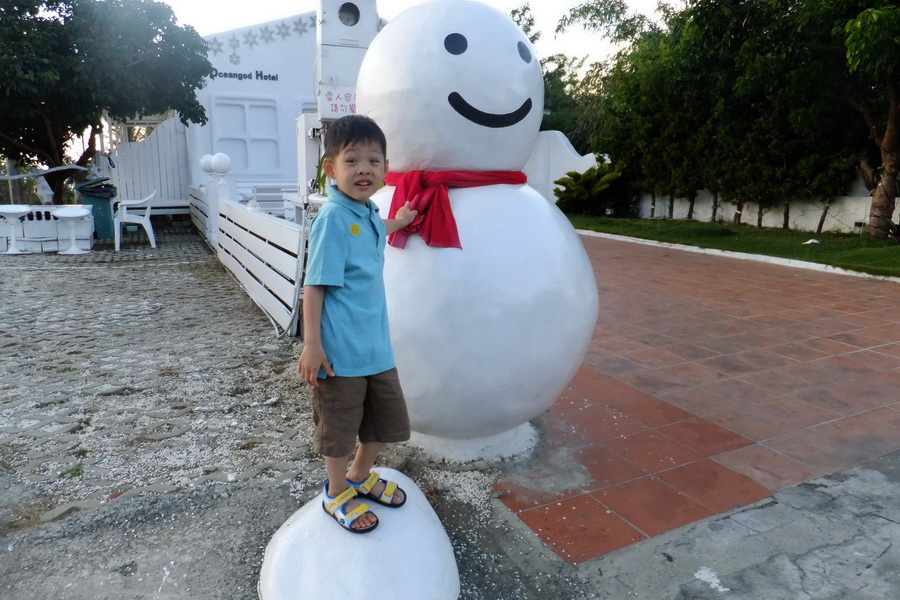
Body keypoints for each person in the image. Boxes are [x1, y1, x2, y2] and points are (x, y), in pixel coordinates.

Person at [298, 114, 417, 534]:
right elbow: (315, 287)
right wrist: (312, 344)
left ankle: (359, 475)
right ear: (331, 169)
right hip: (341, 355)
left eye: (373, 160)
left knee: (385, 421)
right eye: (352, 160)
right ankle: (335, 491)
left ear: (386, 169)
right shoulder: (333, 217)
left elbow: (373, 231)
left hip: (376, 350)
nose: (364, 168)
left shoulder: (366, 213)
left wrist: (400, 221)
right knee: (339, 429)